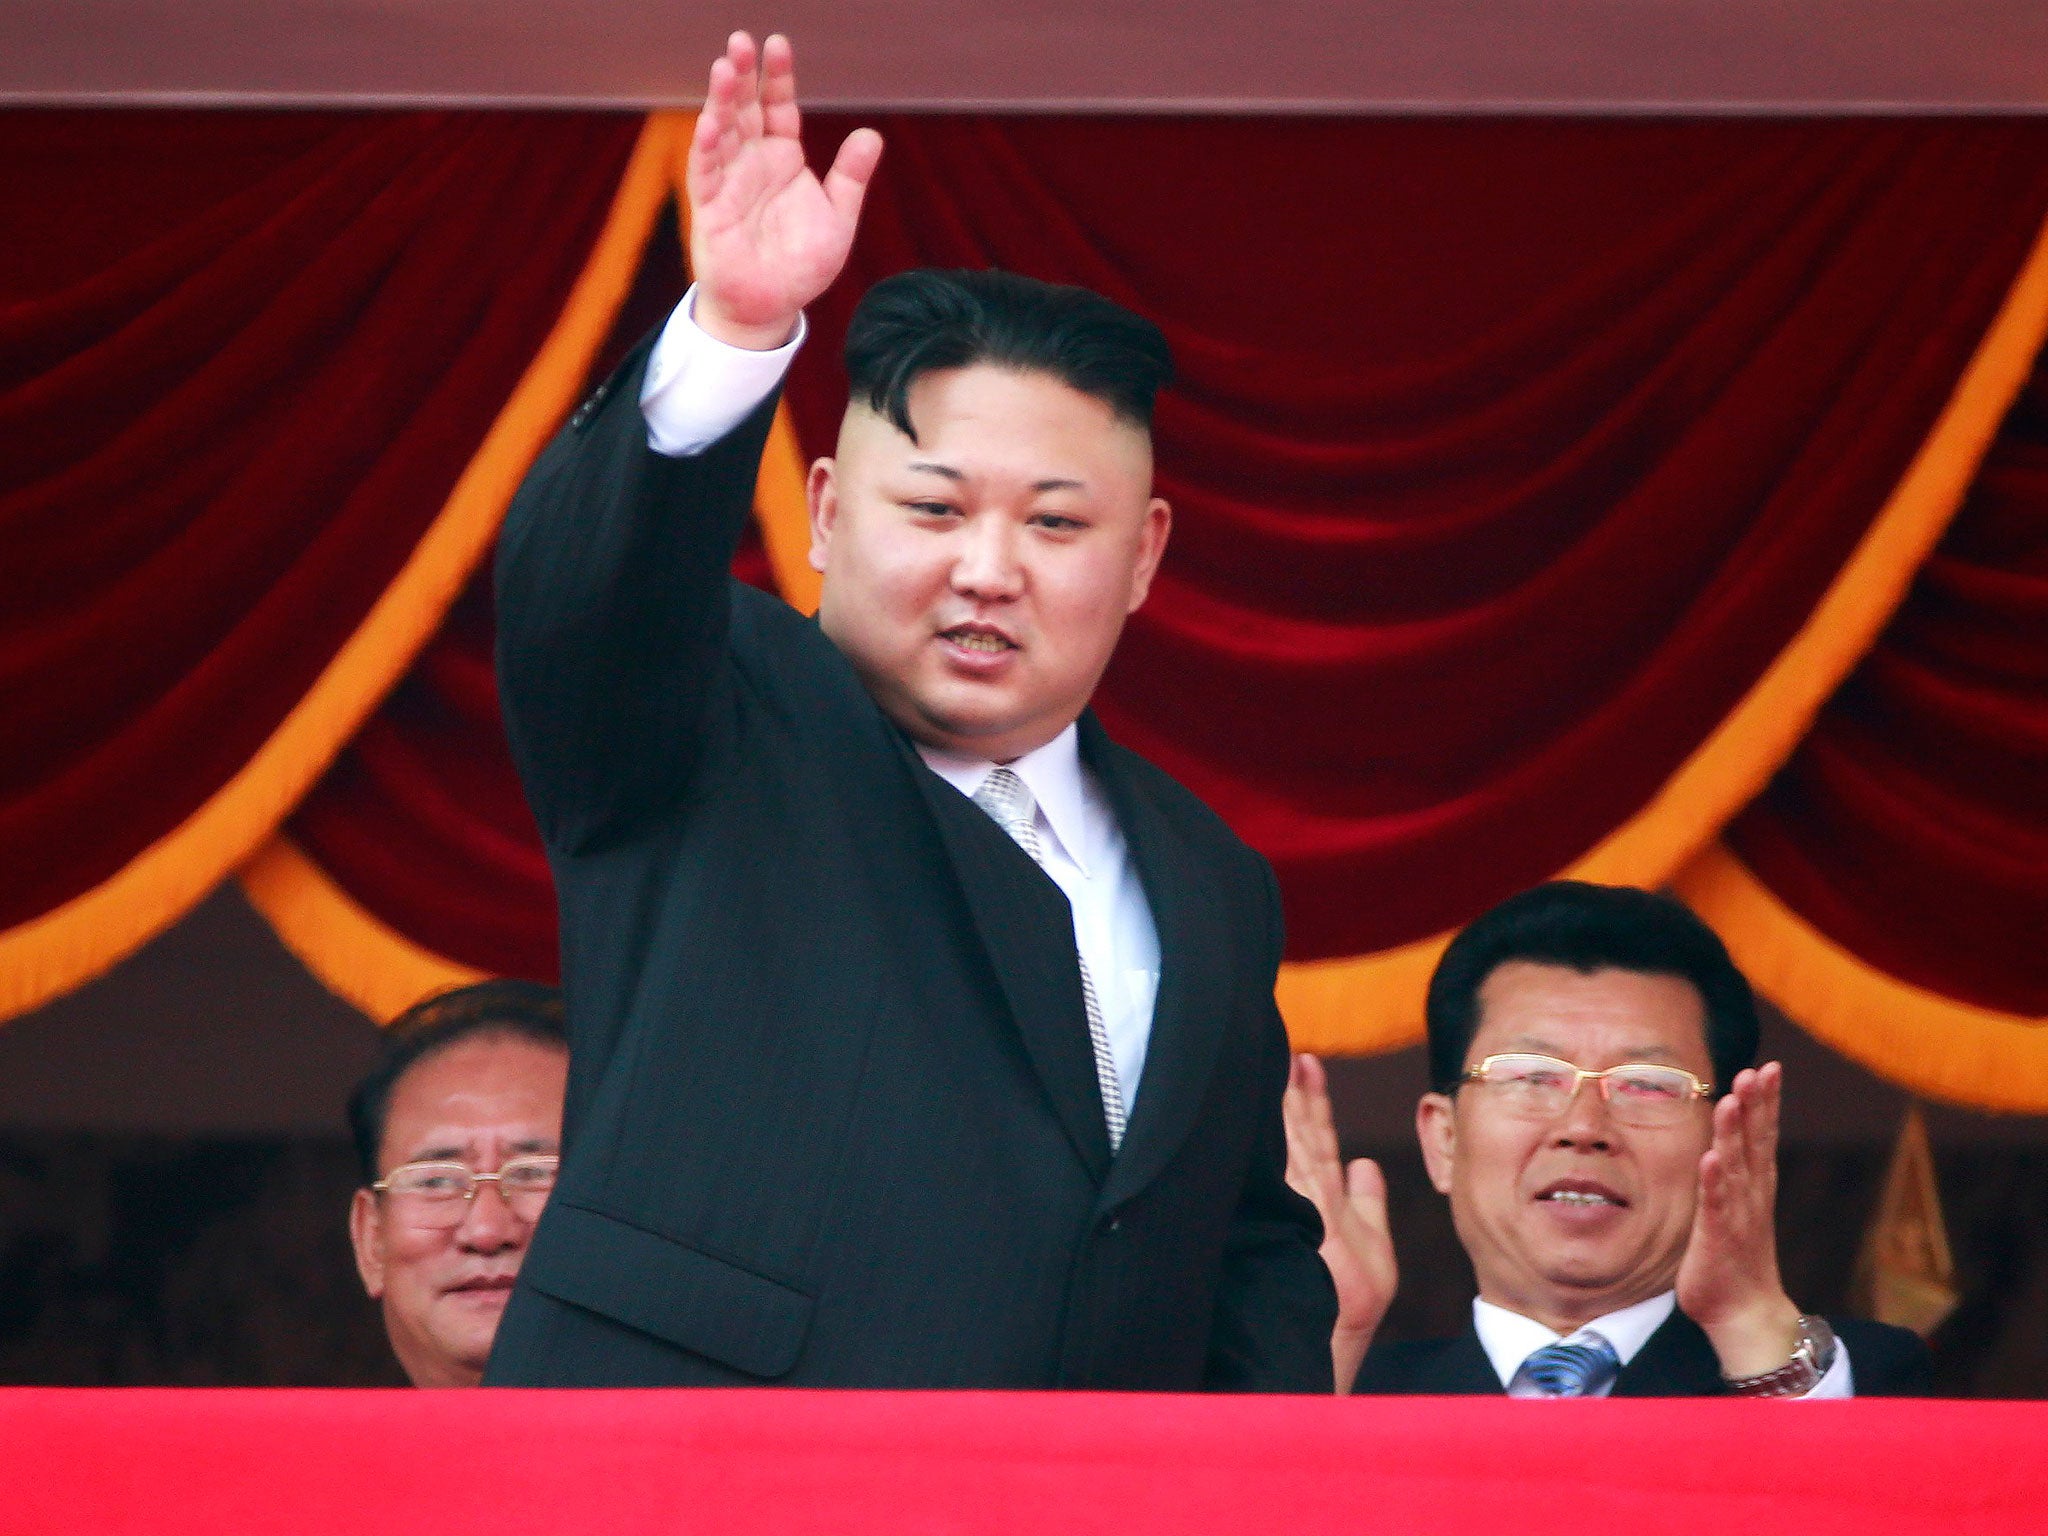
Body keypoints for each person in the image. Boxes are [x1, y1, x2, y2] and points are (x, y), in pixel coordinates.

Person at [482, 32, 1332, 1390]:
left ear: (1146, 557)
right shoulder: (715, 714)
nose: (987, 568)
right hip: (700, 1481)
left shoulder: (1210, 880)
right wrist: (737, 331)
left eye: (1055, 522)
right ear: (823, 512)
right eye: (933, 509)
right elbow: (583, 599)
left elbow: (1233, 1247)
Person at [1284, 881, 1932, 1397]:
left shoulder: (1855, 1382)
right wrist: (1327, 1336)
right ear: (1444, 1139)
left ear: (1729, 1141)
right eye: (1533, 1076)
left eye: (1647, 1084)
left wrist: (1750, 1323)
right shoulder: (1350, 1391)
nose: (1583, 1128)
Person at [346, 981, 568, 1388]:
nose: (487, 1231)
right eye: (436, 1181)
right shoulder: (295, 1454)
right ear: (370, 1240)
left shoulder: (716, 1446)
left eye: (536, 1173)